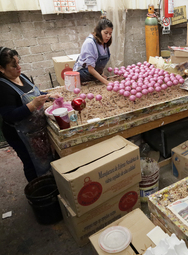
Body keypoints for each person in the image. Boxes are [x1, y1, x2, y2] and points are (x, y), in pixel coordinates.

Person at [0, 47, 59, 182]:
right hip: (20, 134)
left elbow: (35, 95)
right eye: (14, 65)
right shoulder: (2, 88)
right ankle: (37, 188)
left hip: (36, 129)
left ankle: (50, 182)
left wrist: (48, 96)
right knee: (31, 162)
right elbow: (9, 115)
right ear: (1, 68)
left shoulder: (22, 77)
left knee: (44, 158)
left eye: (19, 63)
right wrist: (33, 105)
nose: (19, 68)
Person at [73, 16, 113, 85]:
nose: (108, 36)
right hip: (82, 78)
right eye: (106, 33)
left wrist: (101, 74)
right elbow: (90, 69)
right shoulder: (90, 43)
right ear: (99, 31)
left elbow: (99, 64)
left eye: (110, 33)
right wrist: (106, 82)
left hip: (93, 77)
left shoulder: (105, 42)